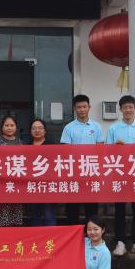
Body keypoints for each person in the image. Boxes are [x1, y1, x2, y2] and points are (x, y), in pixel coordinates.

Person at [105, 95, 135, 256]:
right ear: (120, 109)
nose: (128, 110)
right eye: (125, 107)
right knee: (119, 209)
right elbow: (106, 152)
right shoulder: (113, 129)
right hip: (119, 174)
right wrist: (115, 147)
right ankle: (120, 242)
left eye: (131, 107)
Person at [61, 95, 104, 224]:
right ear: (74, 108)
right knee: (72, 207)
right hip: (73, 173)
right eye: (79, 107)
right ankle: (73, 234)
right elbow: (65, 151)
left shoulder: (97, 126)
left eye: (84, 106)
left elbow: (100, 149)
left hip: (91, 172)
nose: (82, 110)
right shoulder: (68, 128)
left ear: (89, 107)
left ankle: (91, 233)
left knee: (91, 208)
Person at [0, 115, 23, 226]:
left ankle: (13, 233)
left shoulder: (21, 143)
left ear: (16, 127)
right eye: (6, 125)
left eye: (12, 125)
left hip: (15, 183)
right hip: (0, 182)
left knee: (14, 208)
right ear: (2, 127)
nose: (9, 128)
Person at [26, 118, 56, 226]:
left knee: (49, 214)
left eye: (40, 128)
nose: (37, 130)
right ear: (30, 131)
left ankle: (51, 237)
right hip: (32, 186)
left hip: (48, 186)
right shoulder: (26, 146)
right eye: (34, 128)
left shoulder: (52, 145)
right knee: (34, 214)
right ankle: (36, 237)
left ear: (45, 130)